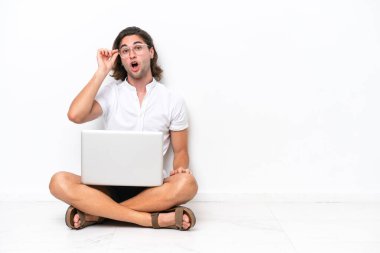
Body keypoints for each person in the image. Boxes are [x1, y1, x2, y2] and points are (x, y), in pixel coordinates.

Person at [49, 26, 198, 231]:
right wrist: (102, 71)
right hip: (107, 186)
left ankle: (96, 213)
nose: (132, 54)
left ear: (151, 52)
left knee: (187, 183)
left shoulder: (172, 100)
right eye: (125, 50)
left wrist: (179, 169)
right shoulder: (112, 93)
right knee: (58, 181)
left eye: (138, 47)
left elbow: (181, 152)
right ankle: (148, 219)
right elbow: (75, 115)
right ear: (121, 58)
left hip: (152, 189)